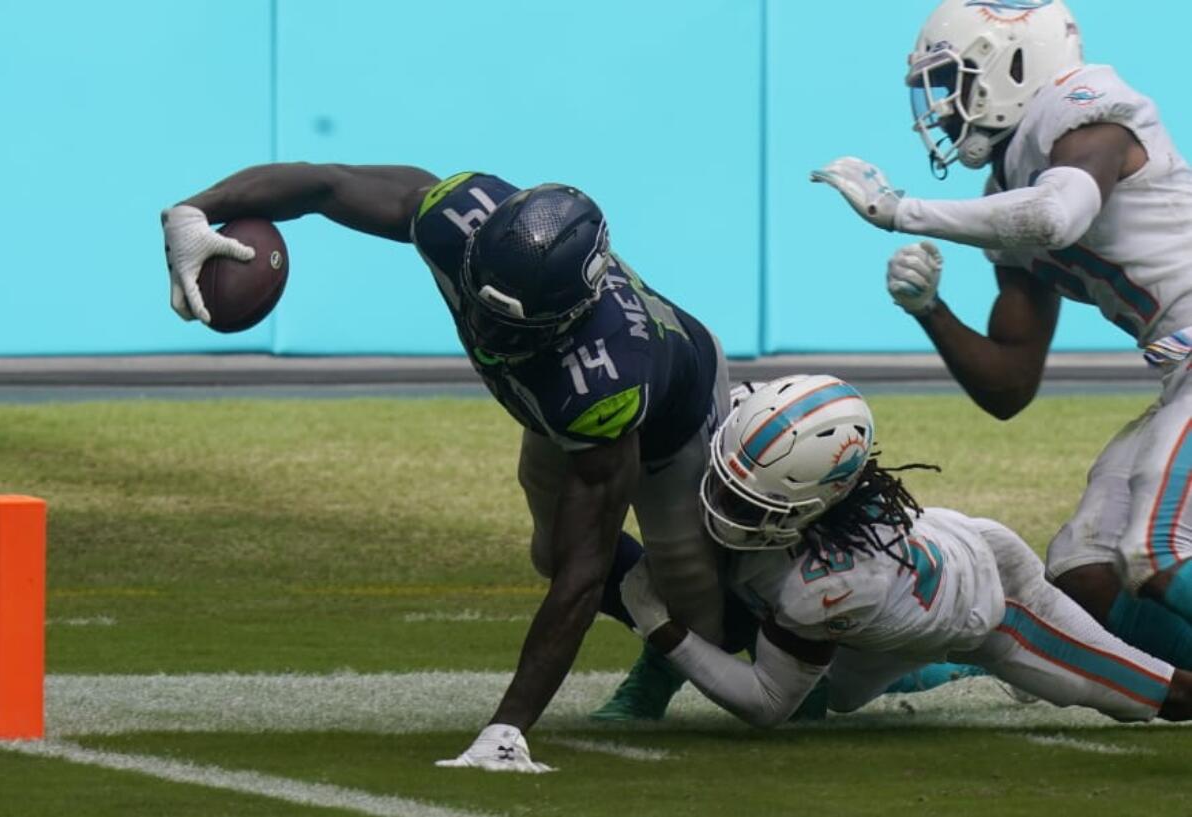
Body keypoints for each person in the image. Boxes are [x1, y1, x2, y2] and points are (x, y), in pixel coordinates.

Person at [161, 166, 730, 772]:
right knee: (552, 554)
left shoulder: (605, 379)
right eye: (480, 300)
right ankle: (668, 619)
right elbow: (327, 186)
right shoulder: (460, 218)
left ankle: (774, 646)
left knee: (701, 615)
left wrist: (507, 727)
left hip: (673, 420)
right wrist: (194, 210)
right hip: (550, 412)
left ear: (568, 315)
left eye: (512, 323)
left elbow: (587, 574)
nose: (486, 331)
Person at [810, 0, 1192, 673]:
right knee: (1082, 576)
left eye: (950, 80)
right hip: (1180, 371)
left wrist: (902, 212)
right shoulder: (1009, 185)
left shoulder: (1085, 108)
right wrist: (930, 309)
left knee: (1155, 549)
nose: (942, 107)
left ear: (1009, 67)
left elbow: (1054, 216)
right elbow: (1010, 384)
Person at [619, 375, 1192, 726]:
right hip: (905, 598)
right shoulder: (762, 427)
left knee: (1158, 694)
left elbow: (766, 703)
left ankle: (979, 665)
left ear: (816, 503)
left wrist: (660, 628)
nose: (719, 504)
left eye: (750, 502)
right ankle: (934, 668)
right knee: (837, 696)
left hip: (999, 605)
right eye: (724, 480)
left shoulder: (825, 586)